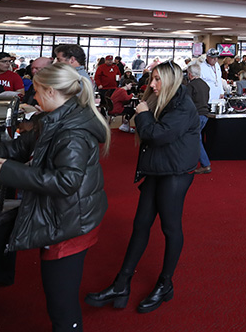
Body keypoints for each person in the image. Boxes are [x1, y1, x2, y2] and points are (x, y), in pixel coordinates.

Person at [0, 62, 109, 331]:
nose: (33, 98)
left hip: (70, 220)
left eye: (36, 92)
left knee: (61, 303)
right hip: (66, 214)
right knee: (59, 298)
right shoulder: (55, 119)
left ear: (50, 92)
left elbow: (67, 182)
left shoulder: (72, 131)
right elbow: (13, 147)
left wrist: (10, 172)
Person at [86, 61, 198, 314]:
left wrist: (144, 113)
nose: (152, 84)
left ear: (171, 80)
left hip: (175, 172)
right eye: (152, 79)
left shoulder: (182, 104)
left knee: (170, 227)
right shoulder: (163, 100)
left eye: (158, 79)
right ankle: (122, 282)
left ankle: (165, 283)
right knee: (140, 224)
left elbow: (157, 135)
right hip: (158, 169)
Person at [186, 63, 212, 174]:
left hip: (195, 115)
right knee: (196, 138)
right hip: (205, 115)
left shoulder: (190, 86)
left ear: (190, 74)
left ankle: (205, 164)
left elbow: (187, 103)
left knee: (195, 140)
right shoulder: (205, 85)